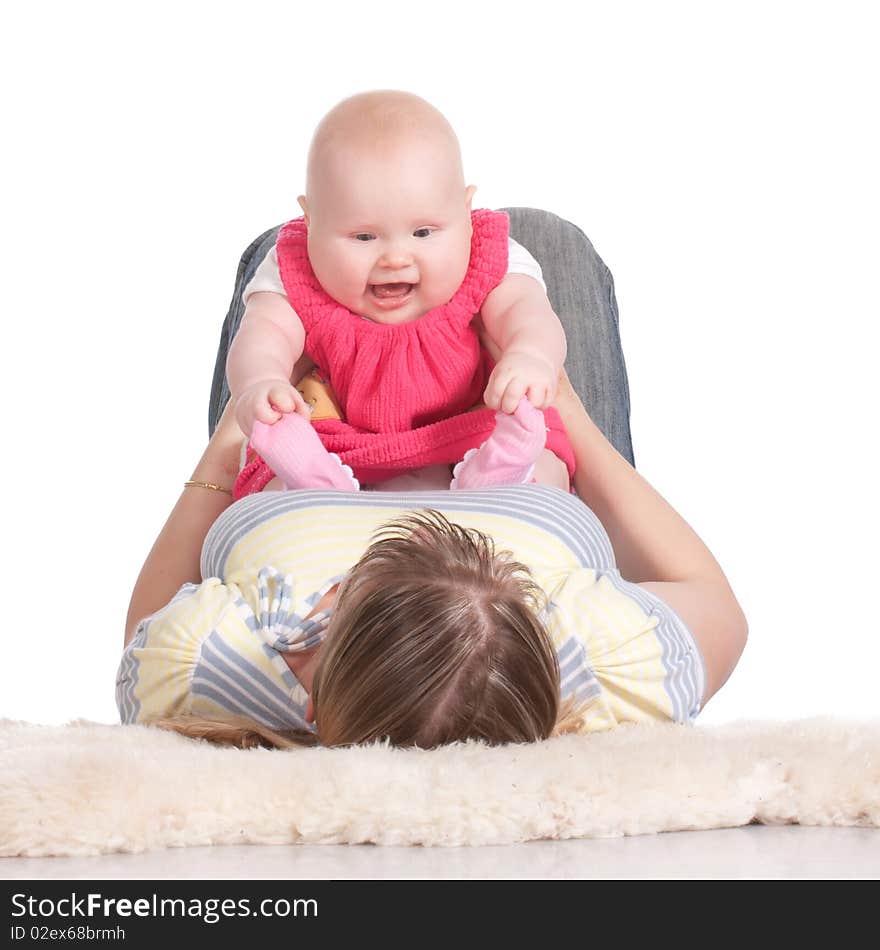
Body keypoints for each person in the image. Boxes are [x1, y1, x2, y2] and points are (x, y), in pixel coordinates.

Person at [119, 369, 748, 750]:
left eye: (347, 580)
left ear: (311, 703)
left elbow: (141, 642)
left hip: (290, 452)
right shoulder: (606, 660)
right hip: (514, 435)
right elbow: (706, 595)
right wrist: (572, 417)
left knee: (300, 258)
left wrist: (225, 447)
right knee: (545, 247)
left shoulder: (214, 663)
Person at [226, 89, 575, 497]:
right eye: (363, 236)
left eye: (423, 232)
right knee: (273, 444)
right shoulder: (295, 266)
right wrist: (261, 380)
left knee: (544, 445)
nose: (395, 257)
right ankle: (311, 487)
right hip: (338, 435)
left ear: (465, 213)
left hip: (470, 423)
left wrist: (530, 355)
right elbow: (263, 330)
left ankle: (503, 476)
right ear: (310, 220)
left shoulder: (486, 254)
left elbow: (527, 311)